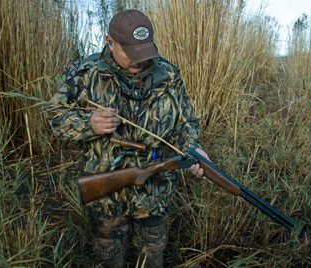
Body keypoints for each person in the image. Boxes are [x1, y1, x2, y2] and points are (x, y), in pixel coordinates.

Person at [47, 9, 209, 268]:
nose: (140, 61)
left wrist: (194, 150)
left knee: (151, 261)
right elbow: (54, 117)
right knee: (109, 261)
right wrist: (88, 124)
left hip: (154, 196)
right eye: (131, 53)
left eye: (145, 52)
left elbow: (186, 123)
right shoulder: (86, 73)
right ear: (110, 41)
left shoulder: (167, 76)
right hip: (106, 199)